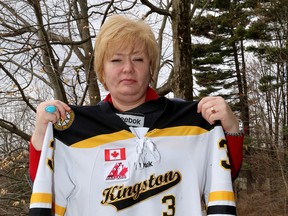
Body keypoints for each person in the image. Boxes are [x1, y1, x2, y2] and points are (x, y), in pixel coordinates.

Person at [29, 15, 244, 216]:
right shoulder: (74, 132)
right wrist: (42, 139)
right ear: (101, 70)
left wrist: (230, 130)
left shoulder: (194, 122)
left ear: (151, 68)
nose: (128, 69)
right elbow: (45, 191)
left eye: (138, 59)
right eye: (116, 60)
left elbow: (223, 178)